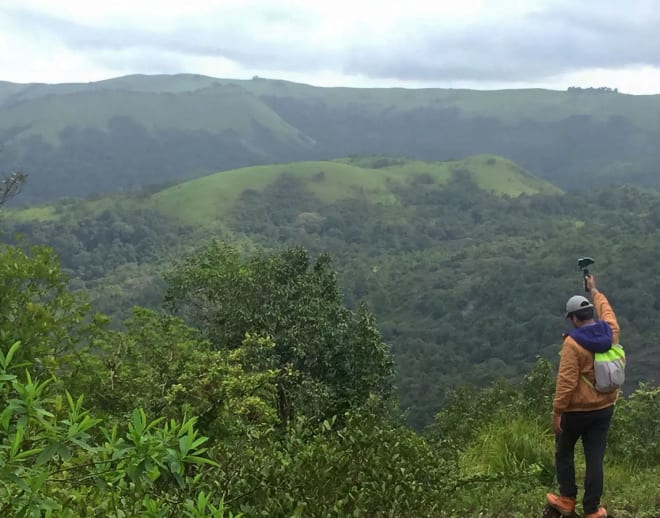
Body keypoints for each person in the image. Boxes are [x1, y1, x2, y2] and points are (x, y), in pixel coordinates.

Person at [546, 275, 619, 518]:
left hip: (576, 411)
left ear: (574, 319)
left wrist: (557, 412)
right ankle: (592, 509)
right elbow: (606, 310)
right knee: (595, 458)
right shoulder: (611, 331)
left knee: (564, 452)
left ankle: (566, 499)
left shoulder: (572, 344)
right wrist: (594, 290)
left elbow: (566, 383)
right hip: (604, 408)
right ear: (590, 315)